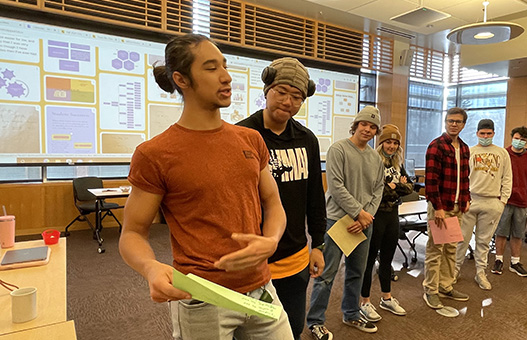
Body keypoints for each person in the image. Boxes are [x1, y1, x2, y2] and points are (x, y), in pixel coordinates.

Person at [118, 34, 293, 340]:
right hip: (202, 297)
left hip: (262, 289)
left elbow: (273, 203)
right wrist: (149, 267)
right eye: (211, 68)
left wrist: (272, 238)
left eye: (224, 66)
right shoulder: (155, 154)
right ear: (181, 79)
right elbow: (132, 233)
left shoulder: (250, 140)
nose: (226, 77)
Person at [237, 57, 326, 340]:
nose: (288, 101)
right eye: (281, 92)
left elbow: (315, 197)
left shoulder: (307, 139)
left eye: (297, 96)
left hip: (295, 256)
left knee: (292, 328)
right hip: (252, 257)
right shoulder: (242, 135)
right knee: (249, 331)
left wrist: (319, 244)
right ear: (266, 91)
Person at [306, 106, 384, 339]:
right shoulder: (338, 149)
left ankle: (350, 313)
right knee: (326, 275)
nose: (367, 129)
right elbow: (336, 186)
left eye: (372, 126)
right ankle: (315, 321)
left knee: (357, 273)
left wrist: (365, 216)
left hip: (363, 224)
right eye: (364, 124)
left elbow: (378, 189)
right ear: (356, 125)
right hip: (337, 221)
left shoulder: (375, 158)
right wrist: (358, 212)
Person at [359, 124, 413, 323]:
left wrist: (392, 186)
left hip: (393, 215)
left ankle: (386, 298)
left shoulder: (397, 163)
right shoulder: (373, 161)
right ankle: (364, 301)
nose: (391, 146)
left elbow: (410, 188)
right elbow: (374, 189)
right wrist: (394, 187)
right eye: (388, 142)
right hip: (375, 215)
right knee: (369, 259)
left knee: (388, 259)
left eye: (395, 143)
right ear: (381, 143)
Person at [422, 107, 471, 311]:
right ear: (445, 122)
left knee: (451, 248)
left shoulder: (465, 148)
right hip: (441, 207)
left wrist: (466, 198)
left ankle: (446, 285)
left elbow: (465, 178)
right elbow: (431, 180)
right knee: (436, 250)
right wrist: (438, 207)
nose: (454, 124)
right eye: (450, 121)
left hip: (457, 206)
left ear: (463, 124)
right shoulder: (437, 146)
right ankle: (430, 290)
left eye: (458, 122)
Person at [456, 119, 512, 291]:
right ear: (477, 133)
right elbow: (461, 177)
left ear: (494, 134)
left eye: (489, 133)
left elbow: (507, 178)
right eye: (482, 133)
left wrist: (502, 202)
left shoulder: (502, 153)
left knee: (483, 241)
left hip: (492, 202)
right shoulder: (469, 152)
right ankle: (454, 271)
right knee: (461, 240)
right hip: (470, 200)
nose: (485, 136)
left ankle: (481, 273)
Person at [492, 126, 527, 277]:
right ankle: (498, 260)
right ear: (512, 138)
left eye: (523, 140)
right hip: (504, 201)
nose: (519, 141)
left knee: (518, 234)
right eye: (517, 138)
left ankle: (515, 262)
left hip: (522, 202)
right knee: (501, 232)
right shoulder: (502, 155)